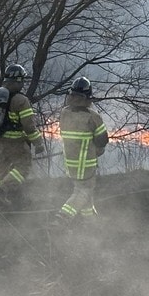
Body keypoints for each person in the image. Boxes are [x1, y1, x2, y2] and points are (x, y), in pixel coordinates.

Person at [0, 63, 45, 204]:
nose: (23, 84)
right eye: (22, 81)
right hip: (15, 142)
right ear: (18, 81)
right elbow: (29, 126)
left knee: (2, 166)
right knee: (23, 167)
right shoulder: (21, 100)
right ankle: (2, 189)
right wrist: (38, 143)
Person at [57, 77, 109, 221]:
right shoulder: (93, 117)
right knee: (83, 192)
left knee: (86, 192)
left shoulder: (64, 113)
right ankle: (62, 218)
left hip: (70, 163)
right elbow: (103, 140)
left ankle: (90, 222)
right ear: (88, 98)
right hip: (86, 164)